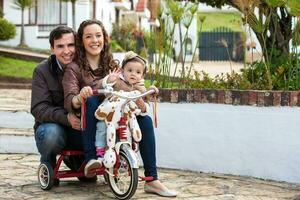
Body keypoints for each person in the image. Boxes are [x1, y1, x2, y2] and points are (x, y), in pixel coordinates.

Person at [62, 19, 177, 197]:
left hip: (117, 113)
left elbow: (129, 86)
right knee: (92, 100)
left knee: (145, 121)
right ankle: (92, 158)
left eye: (98, 35)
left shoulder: (114, 64)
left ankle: (152, 179)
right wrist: (82, 95)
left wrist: (140, 92)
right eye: (89, 36)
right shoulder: (74, 68)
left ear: (104, 38)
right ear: (81, 41)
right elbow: (70, 100)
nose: (94, 40)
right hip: (91, 122)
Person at [31, 26, 96, 182]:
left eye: (71, 45)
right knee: (51, 134)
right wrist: (67, 117)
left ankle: (78, 160)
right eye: (60, 46)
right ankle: (48, 161)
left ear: (77, 45)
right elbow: (38, 108)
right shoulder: (42, 71)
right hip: (54, 126)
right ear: (52, 48)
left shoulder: (85, 66)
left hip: (82, 126)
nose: (66, 51)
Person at [94, 50, 158, 165]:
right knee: (102, 127)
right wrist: (108, 81)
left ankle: (126, 154)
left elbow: (144, 107)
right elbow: (103, 86)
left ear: (142, 75)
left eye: (138, 72)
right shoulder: (118, 80)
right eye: (129, 70)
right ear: (122, 71)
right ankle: (100, 152)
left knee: (128, 133)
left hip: (128, 117)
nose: (133, 74)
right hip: (112, 114)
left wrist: (144, 102)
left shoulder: (140, 88)